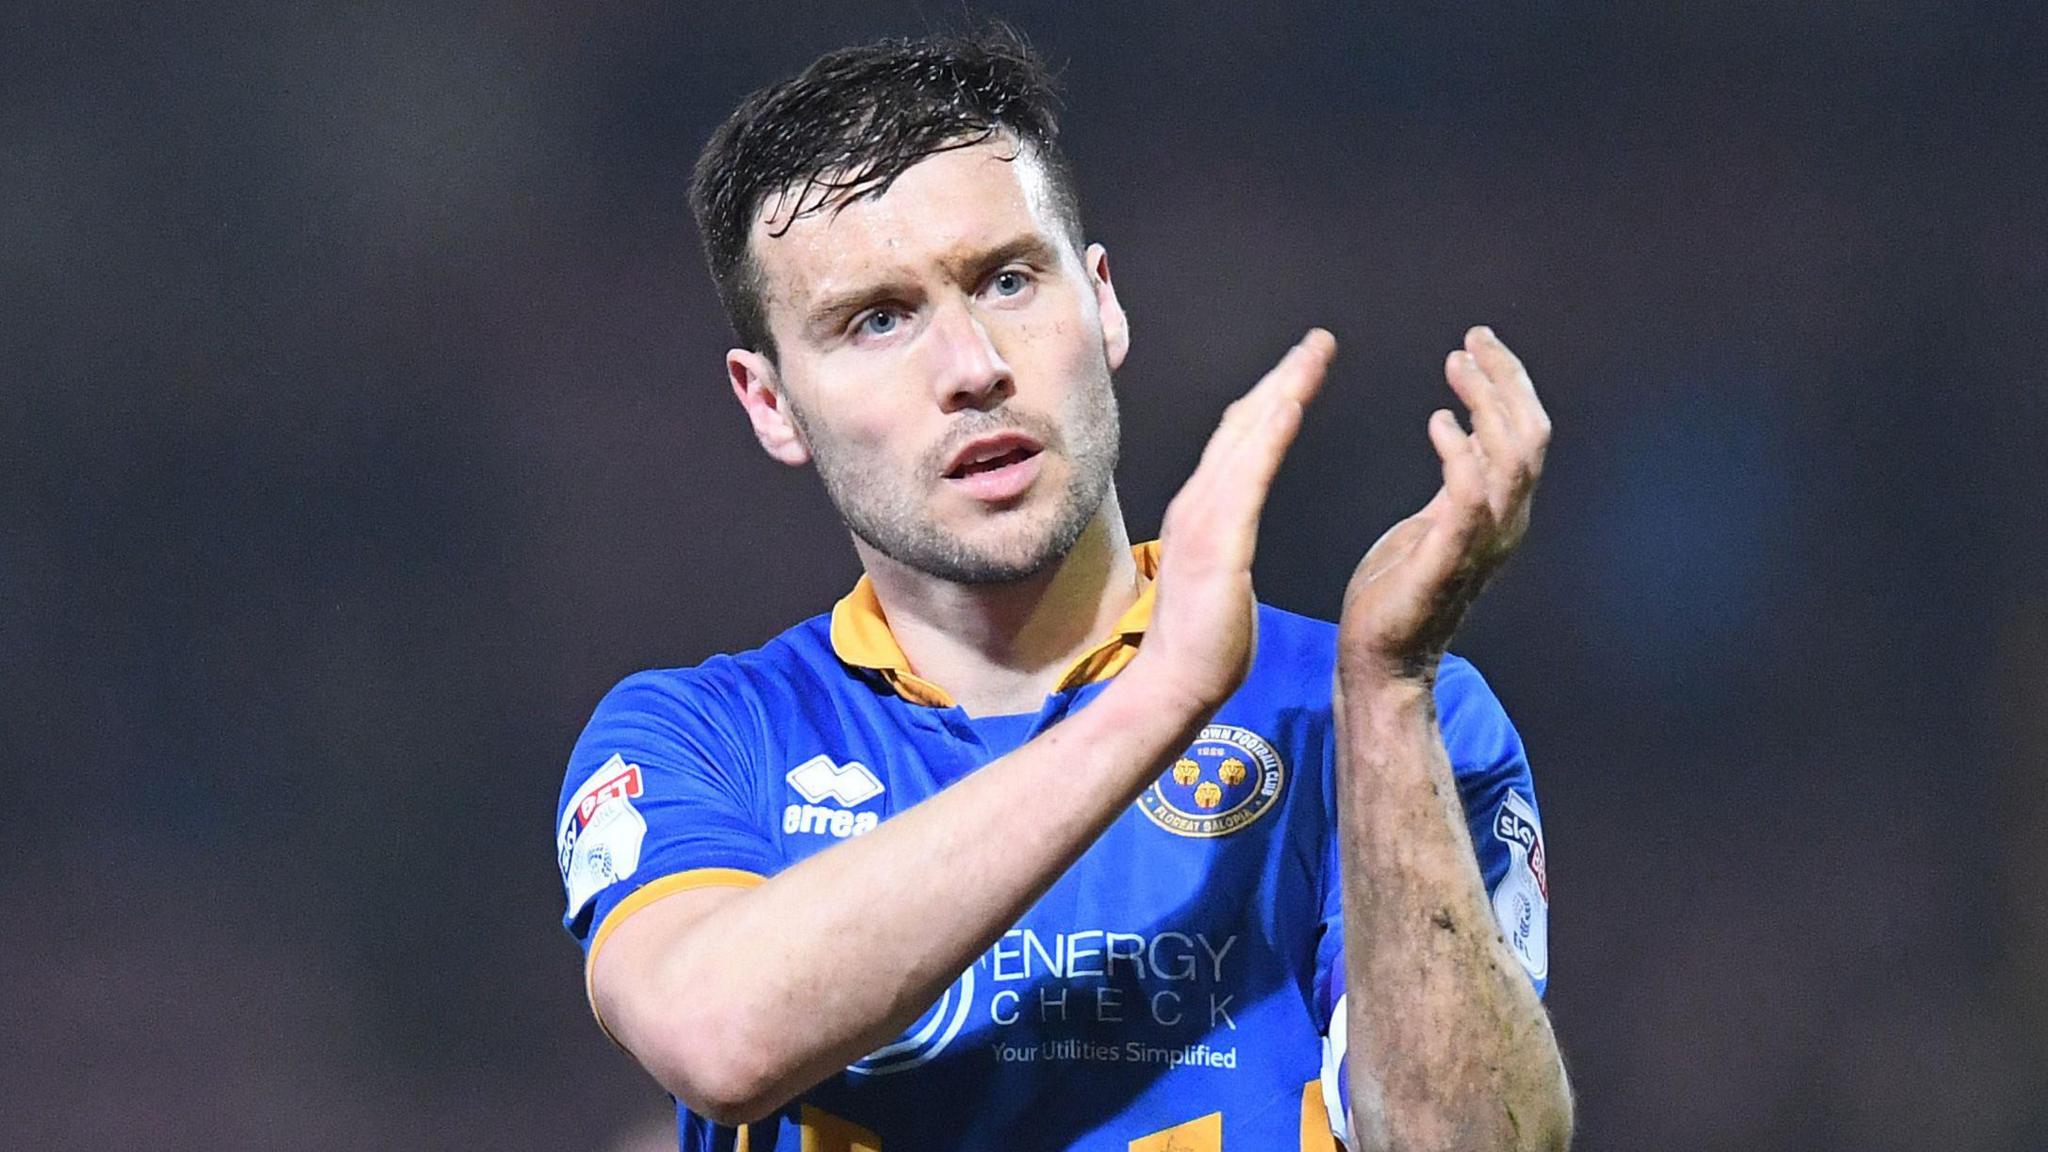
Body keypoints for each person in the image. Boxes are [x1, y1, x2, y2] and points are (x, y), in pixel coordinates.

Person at [555, 27, 1570, 1152]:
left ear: (1102, 304)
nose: (972, 365)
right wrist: (1159, 698)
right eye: (876, 320)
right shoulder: (701, 737)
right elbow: (715, 1037)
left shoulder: (1368, 718)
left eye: (1006, 278)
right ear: (770, 404)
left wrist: (1383, 694)